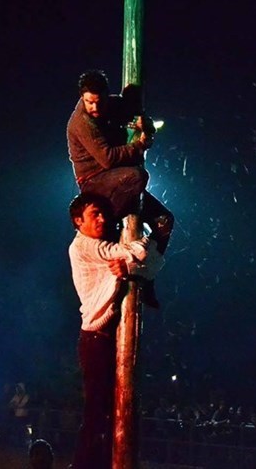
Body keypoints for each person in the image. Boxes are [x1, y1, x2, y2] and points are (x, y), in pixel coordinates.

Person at [67, 193, 164, 469]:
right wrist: (151, 236)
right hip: (95, 339)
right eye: (94, 214)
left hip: (106, 338)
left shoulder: (101, 244)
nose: (101, 219)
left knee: (111, 411)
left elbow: (151, 265)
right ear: (78, 221)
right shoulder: (83, 246)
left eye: (102, 214)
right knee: (97, 412)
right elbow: (137, 253)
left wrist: (133, 260)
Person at [66, 69, 174, 253]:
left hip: (118, 178)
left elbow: (132, 111)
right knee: (136, 176)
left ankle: (146, 262)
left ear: (106, 96)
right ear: (82, 98)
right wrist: (139, 146)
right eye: (89, 102)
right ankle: (108, 229)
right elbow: (107, 158)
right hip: (94, 182)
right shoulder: (81, 123)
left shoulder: (111, 105)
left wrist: (143, 124)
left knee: (164, 220)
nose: (94, 108)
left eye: (98, 102)